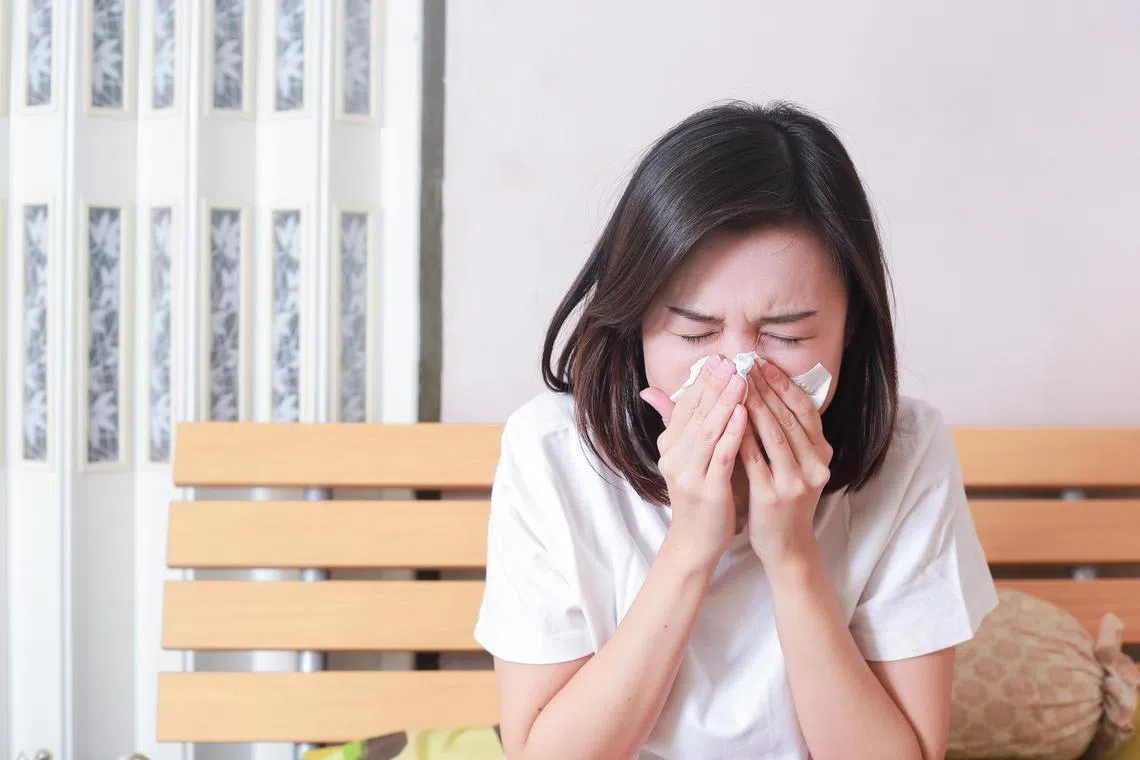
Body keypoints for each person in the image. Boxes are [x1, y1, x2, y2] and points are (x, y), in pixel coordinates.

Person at [473, 100, 998, 760]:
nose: (738, 370)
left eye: (787, 336)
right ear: (637, 323)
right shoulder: (553, 453)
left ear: (849, 328)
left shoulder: (907, 451)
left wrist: (792, 555)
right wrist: (691, 544)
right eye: (695, 333)